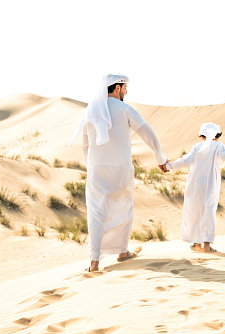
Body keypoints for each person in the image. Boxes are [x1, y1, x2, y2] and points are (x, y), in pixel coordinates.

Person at [69, 73, 168, 272]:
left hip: (96, 169)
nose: (126, 91)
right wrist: (161, 159)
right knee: (124, 208)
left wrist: (92, 168)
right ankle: (122, 252)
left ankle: (94, 262)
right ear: (117, 88)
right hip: (121, 169)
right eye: (124, 88)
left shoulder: (92, 111)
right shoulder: (125, 109)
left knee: (96, 214)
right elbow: (148, 133)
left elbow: (85, 145)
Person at [165, 123, 225, 253]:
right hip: (210, 184)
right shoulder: (218, 146)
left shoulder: (197, 147)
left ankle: (197, 244)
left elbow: (185, 160)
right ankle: (207, 245)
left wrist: (169, 166)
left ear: (202, 136)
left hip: (195, 184)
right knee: (209, 210)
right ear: (218, 135)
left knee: (196, 211)